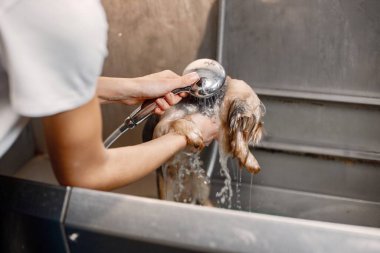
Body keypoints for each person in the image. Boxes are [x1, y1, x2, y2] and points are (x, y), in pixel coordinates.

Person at [0, 0, 219, 190]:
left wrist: (127, 88)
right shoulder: (68, 16)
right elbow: (86, 172)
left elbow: (32, 79)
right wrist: (188, 134)